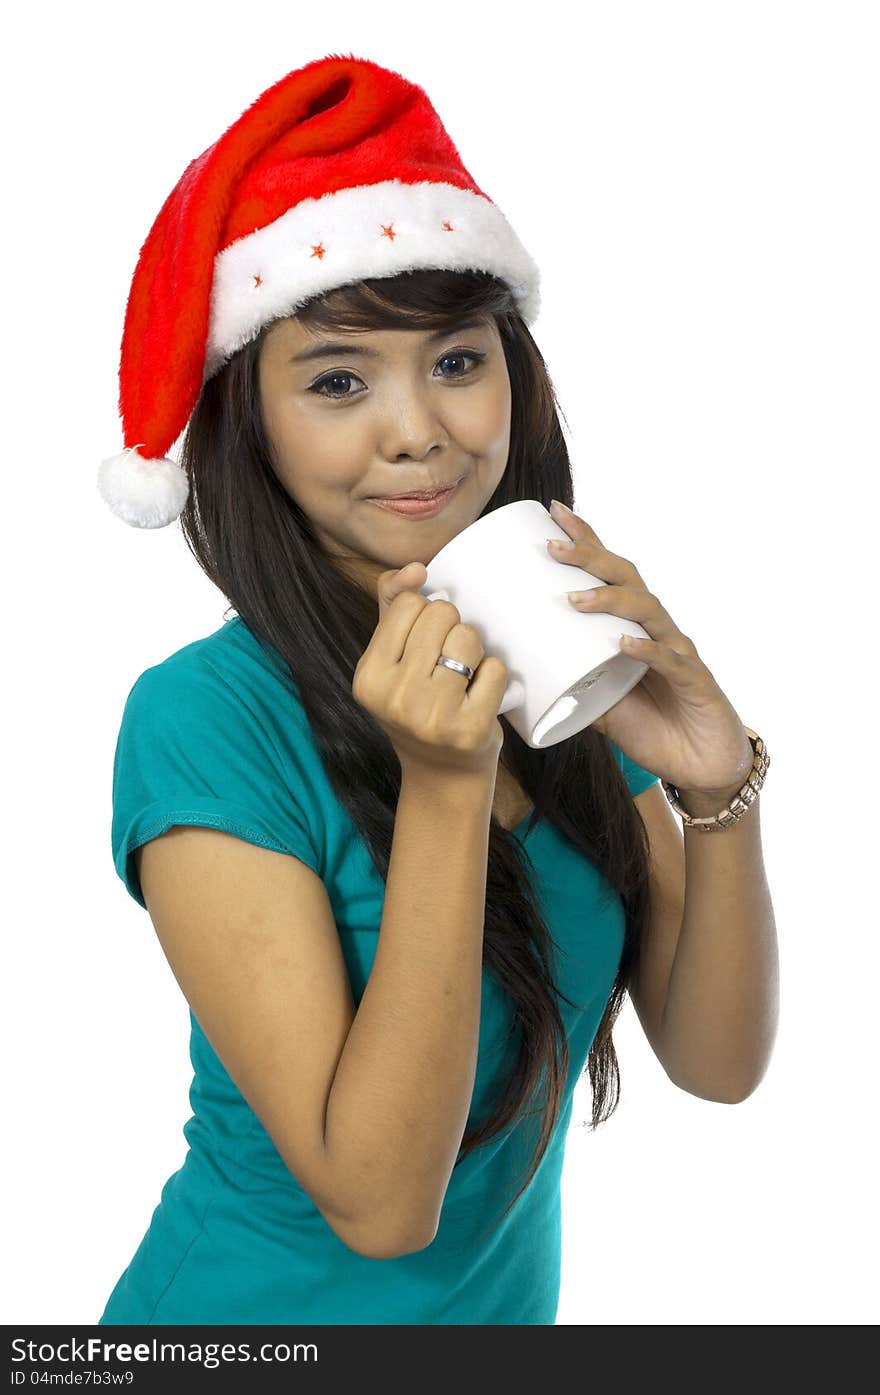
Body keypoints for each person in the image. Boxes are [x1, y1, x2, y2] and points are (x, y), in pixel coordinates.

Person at [96, 53, 776, 1326]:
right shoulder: (202, 721)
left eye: (458, 361)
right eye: (339, 380)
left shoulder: (557, 664)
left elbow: (719, 1064)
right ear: (250, 418)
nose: (419, 430)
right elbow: (378, 1203)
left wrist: (717, 790)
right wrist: (447, 791)